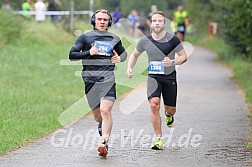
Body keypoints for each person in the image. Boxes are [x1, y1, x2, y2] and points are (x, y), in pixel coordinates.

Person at [69, 9, 127, 157]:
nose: (102, 22)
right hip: (89, 79)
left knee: (105, 110)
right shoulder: (85, 37)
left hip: (107, 78)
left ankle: (104, 142)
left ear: (109, 22)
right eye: (99, 19)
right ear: (94, 21)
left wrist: (119, 59)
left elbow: (124, 53)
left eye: (105, 20)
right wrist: (89, 52)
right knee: (97, 116)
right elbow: (72, 55)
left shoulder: (114, 38)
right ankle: (102, 125)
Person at [126, 11, 187, 150]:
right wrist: (129, 68)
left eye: (160, 21)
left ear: (164, 23)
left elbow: (183, 56)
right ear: (150, 23)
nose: (157, 23)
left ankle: (168, 115)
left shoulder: (173, 39)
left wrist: (172, 62)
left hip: (169, 77)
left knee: (171, 110)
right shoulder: (144, 40)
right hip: (153, 77)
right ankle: (158, 138)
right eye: (154, 21)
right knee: (154, 105)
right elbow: (134, 55)